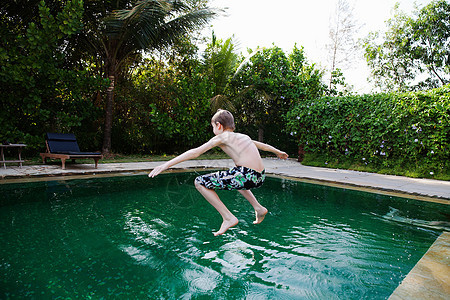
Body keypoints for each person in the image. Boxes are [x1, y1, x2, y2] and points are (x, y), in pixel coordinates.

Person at [149, 109, 288, 236]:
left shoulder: (222, 137)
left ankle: (228, 217)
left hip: (246, 175)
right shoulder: (244, 136)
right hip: (259, 176)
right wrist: (278, 152)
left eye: (213, 127)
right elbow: (262, 146)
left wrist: (166, 165)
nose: (213, 130)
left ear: (219, 125)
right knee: (233, 175)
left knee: (199, 182)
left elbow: (195, 152)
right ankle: (258, 208)